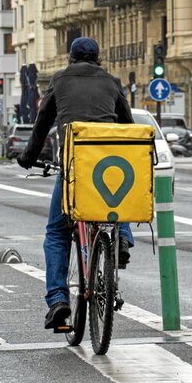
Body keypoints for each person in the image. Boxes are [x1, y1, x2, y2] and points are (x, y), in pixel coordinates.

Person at [16, 37, 135, 330]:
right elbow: (128, 125)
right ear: (97, 58)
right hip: (107, 165)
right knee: (117, 202)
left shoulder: (59, 80)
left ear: (70, 58)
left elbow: (43, 122)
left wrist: (28, 156)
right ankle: (121, 238)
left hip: (74, 167)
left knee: (56, 232)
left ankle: (58, 300)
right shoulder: (112, 81)